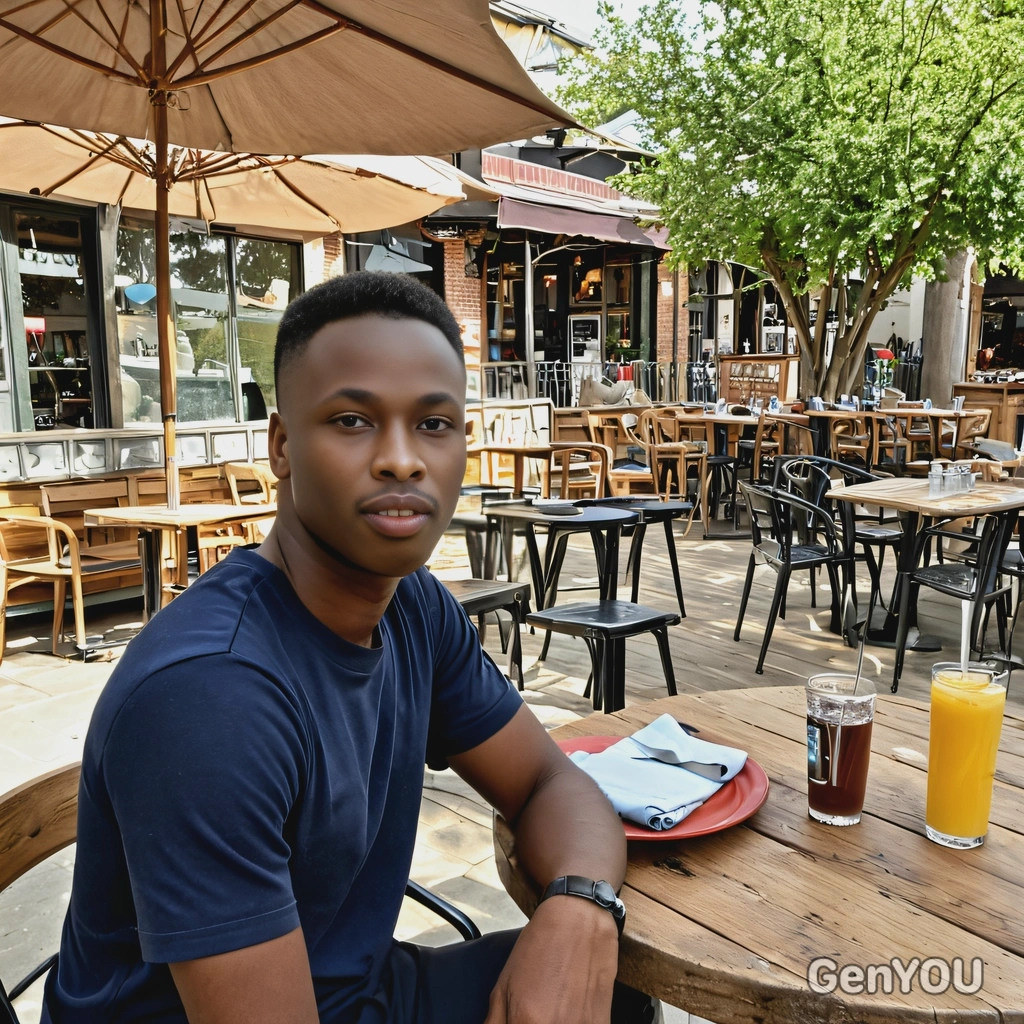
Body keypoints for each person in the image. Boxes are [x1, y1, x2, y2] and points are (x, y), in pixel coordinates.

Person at [42, 272, 658, 1024]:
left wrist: (579, 907)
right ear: (282, 446)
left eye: (434, 423)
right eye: (352, 420)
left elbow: (548, 780)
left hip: (354, 990)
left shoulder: (413, 607)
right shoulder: (210, 698)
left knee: (610, 991)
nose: (402, 459)